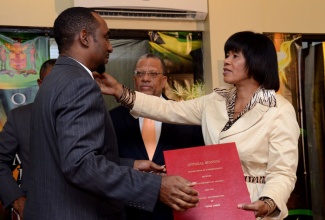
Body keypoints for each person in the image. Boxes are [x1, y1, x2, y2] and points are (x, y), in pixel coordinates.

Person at [95, 31, 300, 220]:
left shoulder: (279, 109)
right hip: (213, 203)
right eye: (226, 55)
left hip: (253, 205)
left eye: (234, 56)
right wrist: (120, 91)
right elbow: (167, 109)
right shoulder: (214, 101)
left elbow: (283, 172)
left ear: (257, 61)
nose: (226, 61)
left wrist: (268, 202)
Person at [24, 7, 199, 220]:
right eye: (106, 37)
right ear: (85, 38)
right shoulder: (79, 83)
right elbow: (80, 164)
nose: (110, 47)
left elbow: (67, 155)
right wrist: (155, 186)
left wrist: (130, 165)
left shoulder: (56, 78)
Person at [110, 53, 205, 220]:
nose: (145, 78)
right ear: (134, 79)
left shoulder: (187, 119)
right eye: (140, 73)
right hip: (129, 211)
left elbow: (201, 165)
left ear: (164, 80)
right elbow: (106, 163)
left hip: (176, 212)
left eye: (153, 74)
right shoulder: (112, 119)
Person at [0, 58, 56, 219]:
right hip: (37, 210)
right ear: (40, 83)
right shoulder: (20, 118)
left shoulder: (82, 116)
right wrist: (16, 199)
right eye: (50, 82)